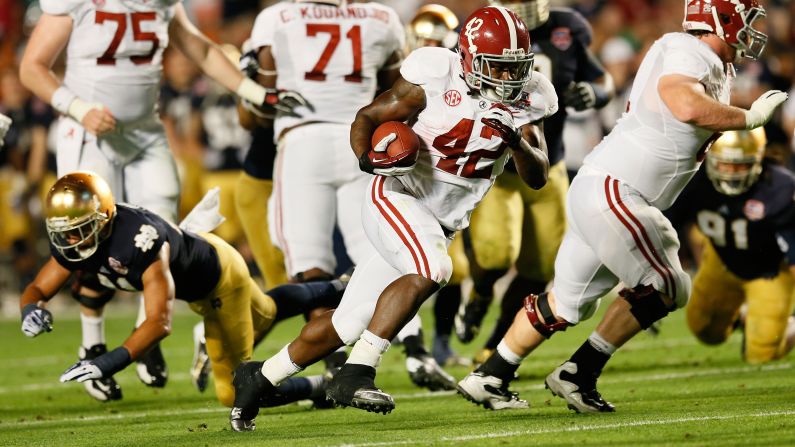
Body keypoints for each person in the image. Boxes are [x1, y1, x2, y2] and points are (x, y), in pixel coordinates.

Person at [227, 5, 557, 431]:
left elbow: (538, 176)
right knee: (434, 268)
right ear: (471, 58)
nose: (509, 79)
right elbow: (369, 117)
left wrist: (515, 141)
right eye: (498, 67)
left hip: (440, 221)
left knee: (348, 320)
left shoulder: (531, 96)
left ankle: (258, 378)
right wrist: (369, 159)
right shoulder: (436, 74)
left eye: (516, 69)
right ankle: (357, 371)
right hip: (399, 195)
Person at [456, 0, 787, 413]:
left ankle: (490, 374)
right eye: (748, 19)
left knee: (565, 302)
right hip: (617, 191)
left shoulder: (704, 58)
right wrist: (749, 119)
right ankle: (579, 372)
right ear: (723, 18)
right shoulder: (689, 51)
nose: (754, 29)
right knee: (668, 283)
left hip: (603, 187)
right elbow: (683, 104)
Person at [18, 0, 307, 402]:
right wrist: (78, 108)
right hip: (88, 132)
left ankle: (147, 335)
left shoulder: (161, 4)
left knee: (159, 238)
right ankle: (92, 344)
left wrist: (255, 91)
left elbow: (201, 49)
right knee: (91, 243)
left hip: (146, 130)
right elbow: (32, 67)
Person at [247, 0, 454, 391]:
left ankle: (332, 363)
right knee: (386, 257)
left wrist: (250, 92)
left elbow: (257, 110)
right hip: (365, 141)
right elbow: (402, 93)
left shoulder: (277, 18)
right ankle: (416, 352)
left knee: (310, 265)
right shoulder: (382, 18)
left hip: (302, 140)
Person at [19, 171, 347, 408]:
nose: (71, 241)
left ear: (103, 218)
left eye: (79, 230)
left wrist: (108, 362)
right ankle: (340, 287)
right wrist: (30, 309)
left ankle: (320, 388)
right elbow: (38, 287)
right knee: (267, 310)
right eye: (65, 232)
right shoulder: (85, 240)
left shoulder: (139, 239)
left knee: (234, 392)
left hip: (219, 285)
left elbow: (159, 322)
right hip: (211, 259)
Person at [454, 0, 615, 368]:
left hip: (549, 162)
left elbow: (600, 76)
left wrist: (596, 92)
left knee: (540, 267)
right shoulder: (484, 29)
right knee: (494, 256)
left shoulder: (567, 28)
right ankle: (479, 293)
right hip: (497, 170)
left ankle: (497, 342)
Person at [665, 129, 795, 363]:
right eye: (725, 165)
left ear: (758, 159)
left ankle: (791, 327)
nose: (731, 173)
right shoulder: (695, 180)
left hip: (771, 271)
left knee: (761, 353)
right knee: (704, 329)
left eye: (740, 165)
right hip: (721, 261)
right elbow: (665, 224)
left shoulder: (780, 187)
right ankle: (745, 315)